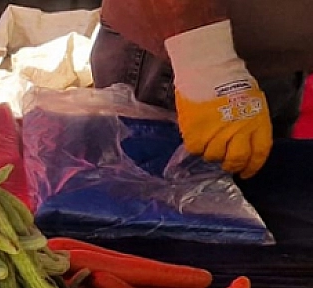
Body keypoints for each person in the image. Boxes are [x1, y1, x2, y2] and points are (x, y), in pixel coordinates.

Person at [93, 0, 309, 178]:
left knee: (261, 209)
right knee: (158, 211)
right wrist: (207, 66)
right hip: (182, 61)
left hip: (277, 69)